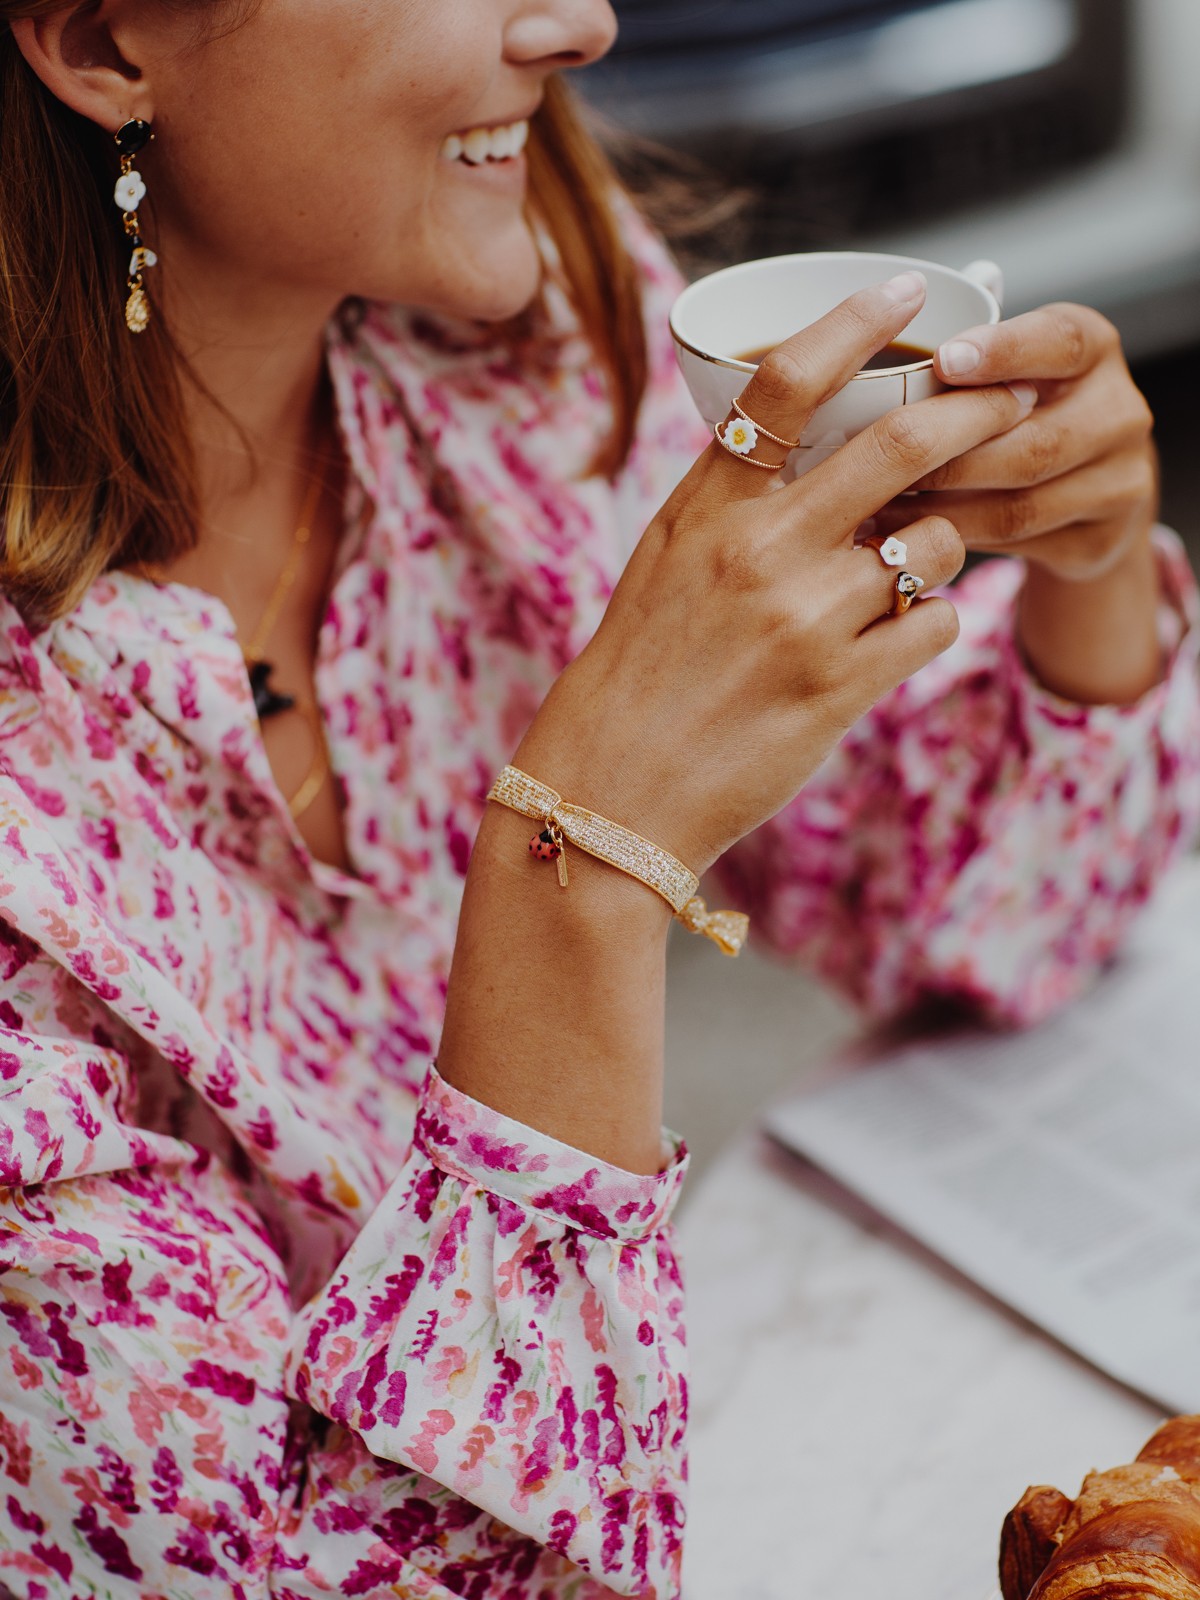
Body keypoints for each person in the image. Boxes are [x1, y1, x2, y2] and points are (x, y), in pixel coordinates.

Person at [0, 0, 1195, 1595]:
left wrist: (1083, 563)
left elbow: (954, 919)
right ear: (100, 43)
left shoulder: (511, 344)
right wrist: (585, 857)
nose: (586, 22)